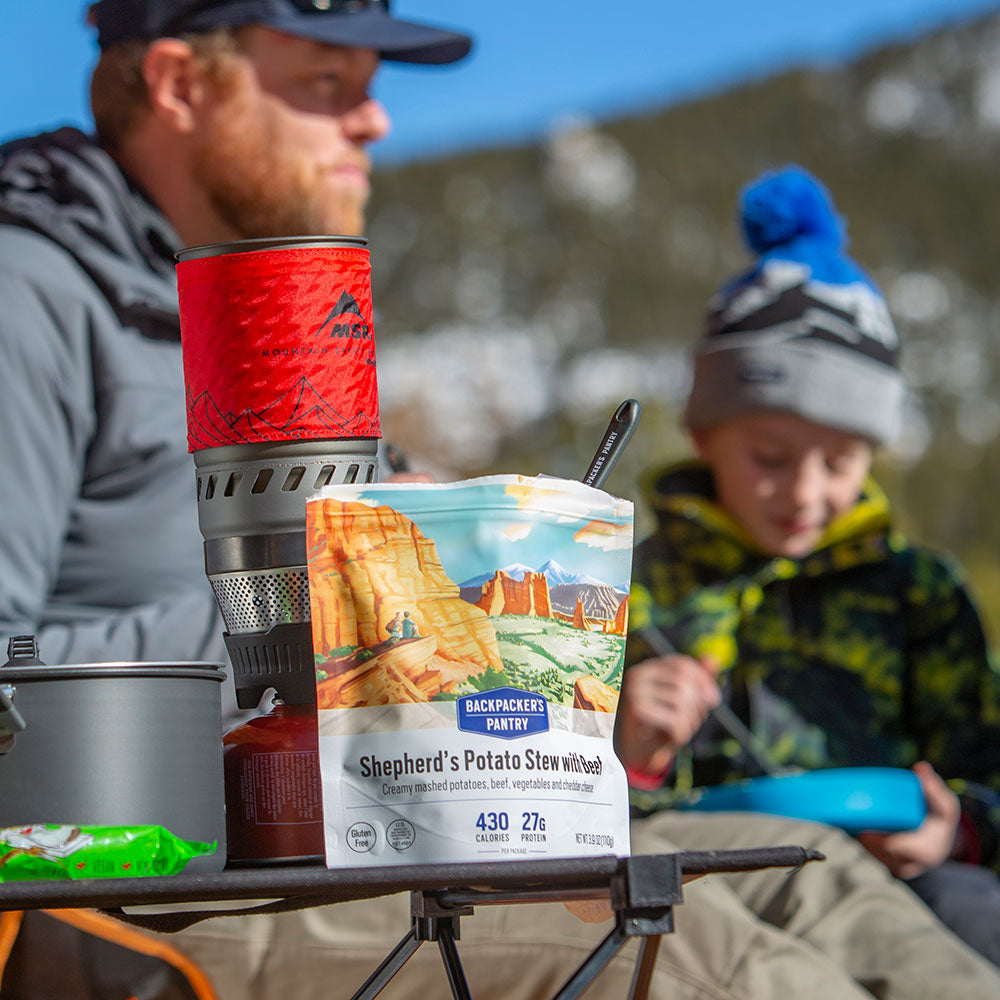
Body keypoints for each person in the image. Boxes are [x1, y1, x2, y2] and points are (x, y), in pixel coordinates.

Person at [2, 5, 999, 997]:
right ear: (179, 85)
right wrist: (328, 609)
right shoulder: (31, 290)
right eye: (325, 85)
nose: (375, 120)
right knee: (711, 955)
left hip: (385, 808)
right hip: (146, 871)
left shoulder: (283, 317)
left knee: (815, 877)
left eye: (370, 87)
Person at [616, 164, 1000, 966]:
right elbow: (533, 799)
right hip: (696, 892)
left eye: (840, 460)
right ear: (702, 433)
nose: (804, 490)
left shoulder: (916, 596)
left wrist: (957, 825)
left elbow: (986, 763)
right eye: (768, 456)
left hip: (907, 890)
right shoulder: (625, 588)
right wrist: (632, 758)